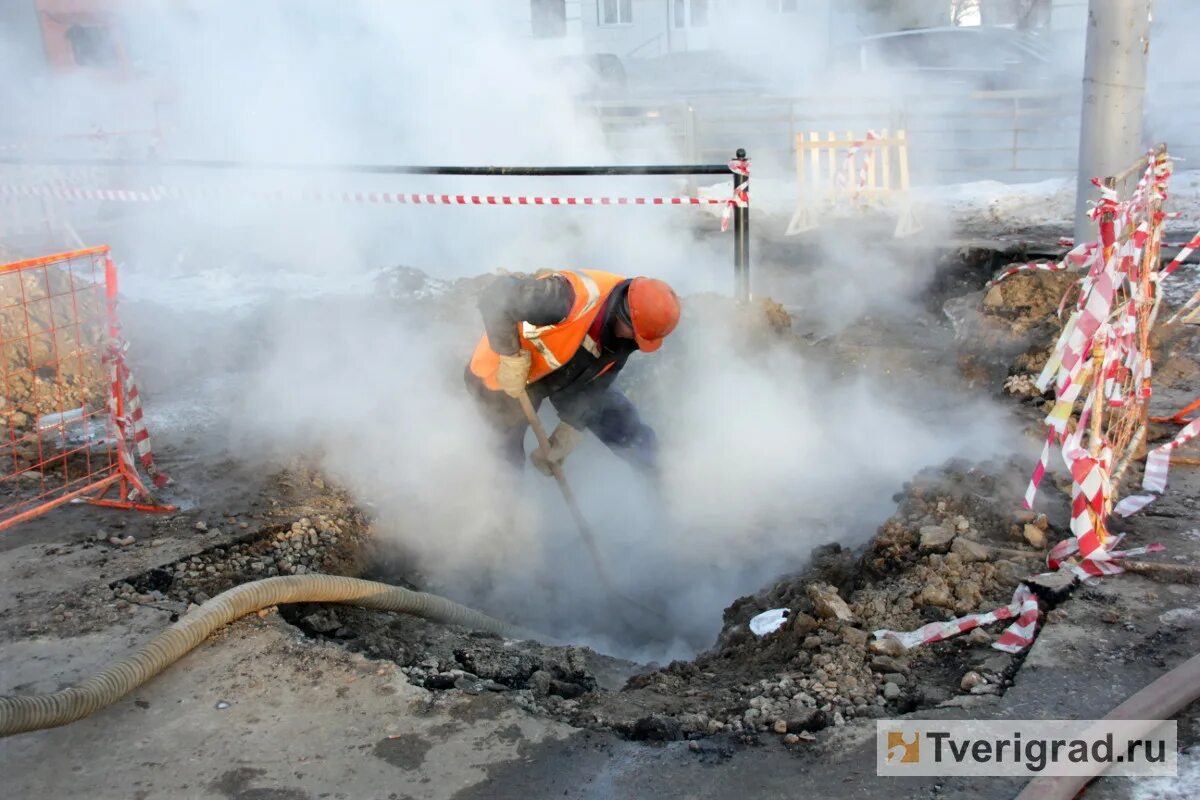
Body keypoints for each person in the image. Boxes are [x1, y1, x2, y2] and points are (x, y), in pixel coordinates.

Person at [465, 269, 680, 477]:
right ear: (624, 315)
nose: (634, 341)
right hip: (505, 372)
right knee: (505, 455)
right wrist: (510, 355)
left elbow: (603, 376)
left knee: (623, 423)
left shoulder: (628, 329)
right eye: (636, 335)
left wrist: (571, 428)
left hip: (567, 370)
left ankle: (665, 482)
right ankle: (506, 509)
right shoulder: (565, 299)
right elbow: (497, 295)